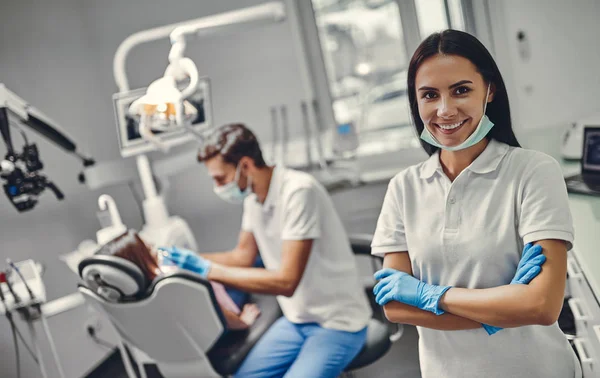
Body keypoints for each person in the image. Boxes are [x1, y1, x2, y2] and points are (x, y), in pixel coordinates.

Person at [370, 29, 581, 378]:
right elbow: (395, 308)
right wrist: (504, 307)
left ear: (490, 90)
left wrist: (429, 294)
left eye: (461, 90)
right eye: (429, 95)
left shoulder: (533, 171)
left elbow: (542, 306)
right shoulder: (403, 188)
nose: (444, 109)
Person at [162, 123, 372, 378]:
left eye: (221, 178)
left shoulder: (298, 192)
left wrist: (208, 270)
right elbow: (242, 256)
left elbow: (286, 281)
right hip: (298, 319)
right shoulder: (253, 199)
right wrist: (188, 259)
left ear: (246, 165)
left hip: (339, 322)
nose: (218, 187)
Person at [102, 230, 260, 330]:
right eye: (148, 249)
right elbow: (217, 311)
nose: (154, 247)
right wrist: (243, 322)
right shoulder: (174, 282)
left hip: (192, 331)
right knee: (256, 264)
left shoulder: (130, 297)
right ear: (141, 260)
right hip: (223, 319)